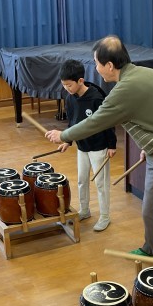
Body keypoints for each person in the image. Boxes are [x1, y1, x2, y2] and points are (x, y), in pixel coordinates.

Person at [46, 35, 153, 257]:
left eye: (97, 63)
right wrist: (149, 143)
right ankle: (149, 248)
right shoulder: (150, 74)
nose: (96, 68)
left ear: (110, 65)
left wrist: (64, 135)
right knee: (151, 209)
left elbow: (95, 122)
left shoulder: (124, 90)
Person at [58, 59, 116, 232]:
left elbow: (108, 122)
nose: (66, 88)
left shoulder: (96, 98)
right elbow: (72, 123)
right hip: (82, 147)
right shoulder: (70, 98)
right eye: (64, 85)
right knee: (82, 180)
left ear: (80, 80)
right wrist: (68, 141)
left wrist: (112, 145)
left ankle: (105, 216)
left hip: (99, 146)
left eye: (69, 85)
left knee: (100, 183)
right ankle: (84, 210)